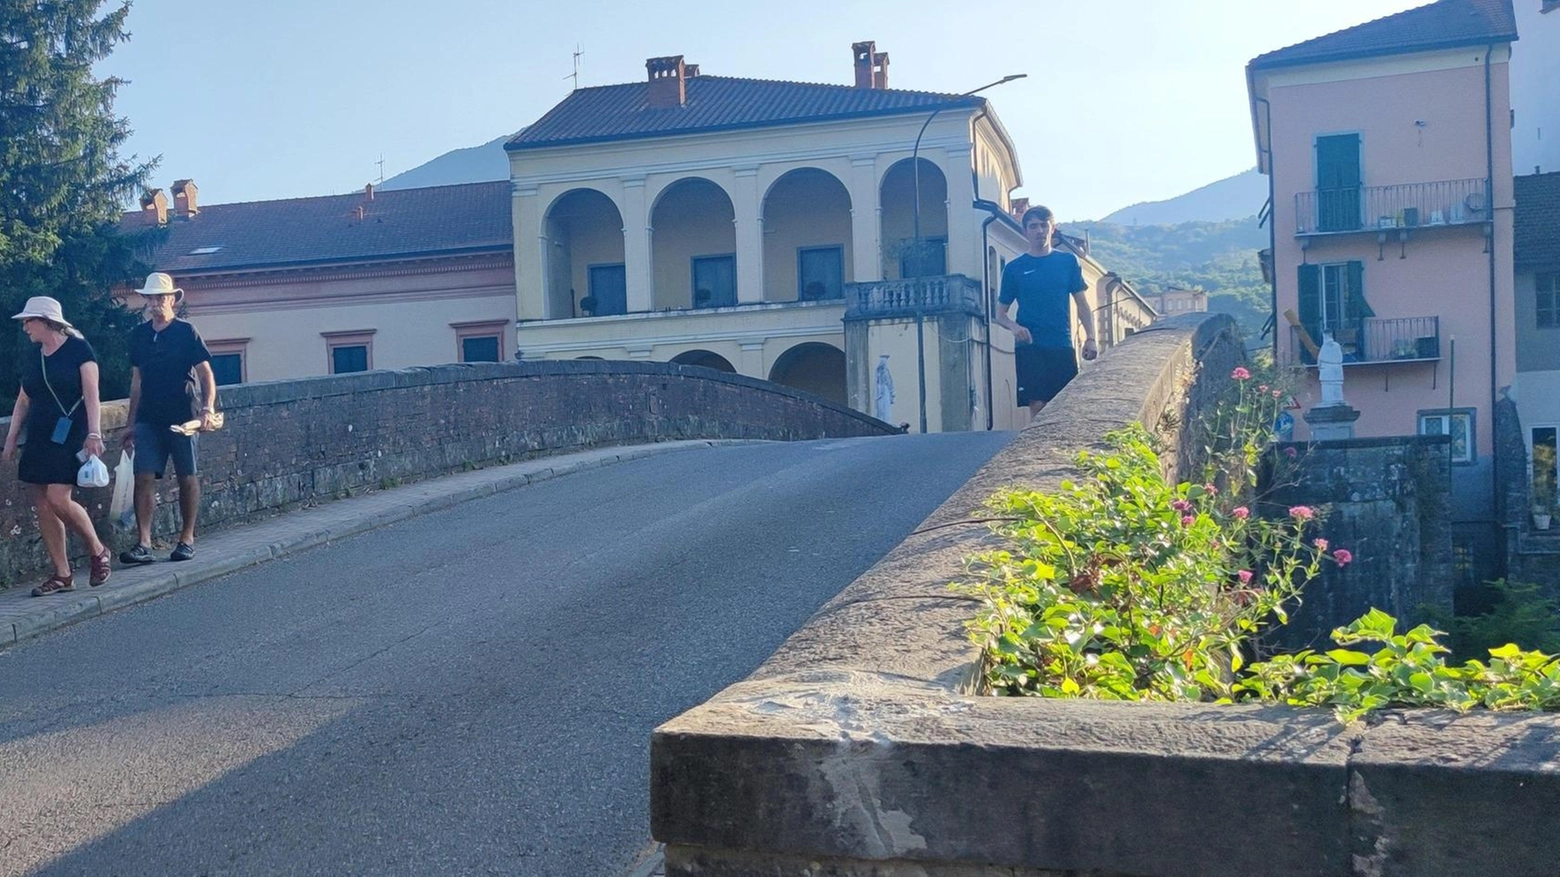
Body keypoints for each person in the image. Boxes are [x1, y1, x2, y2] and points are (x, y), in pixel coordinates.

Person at [2, 297, 113, 596]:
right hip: (40, 433)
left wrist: (94, 433)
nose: (25, 327)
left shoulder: (79, 350)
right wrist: (11, 438)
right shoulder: (34, 355)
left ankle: (98, 549)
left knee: (58, 497)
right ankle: (62, 573)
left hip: (70, 433)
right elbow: (24, 399)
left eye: (29, 321)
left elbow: (92, 395)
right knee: (42, 503)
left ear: (46, 321)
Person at [119, 272, 216, 564]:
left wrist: (207, 408)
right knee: (143, 476)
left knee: (187, 476)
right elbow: (136, 382)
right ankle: (144, 543)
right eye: (150, 297)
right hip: (149, 416)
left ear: (172, 299)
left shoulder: (186, 332)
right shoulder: (139, 335)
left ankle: (186, 538)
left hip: (183, 416)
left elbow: (205, 374)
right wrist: (130, 422)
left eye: (160, 297)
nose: (155, 302)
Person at [994, 205, 1098, 419]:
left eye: (1044, 225)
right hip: (1030, 345)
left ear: (1052, 229)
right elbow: (1000, 314)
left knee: (1064, 404)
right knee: (1038, 404)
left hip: (1061, 342)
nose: (1039, 231)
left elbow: (1083, 304)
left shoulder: (1068, 262)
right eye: (1033, 226)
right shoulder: (1015, 268)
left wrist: (1091, 338)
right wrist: (1015, 327)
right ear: (1025, 232)